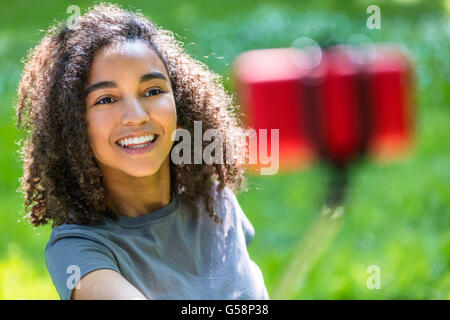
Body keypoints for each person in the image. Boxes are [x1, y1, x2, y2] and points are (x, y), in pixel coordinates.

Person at [15, 3, 269, 300]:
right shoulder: (78, 250)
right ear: (73, 124)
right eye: (106, 99)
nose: (136, 115)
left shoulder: (214, 199)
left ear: (180, 102)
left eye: (152, 92)